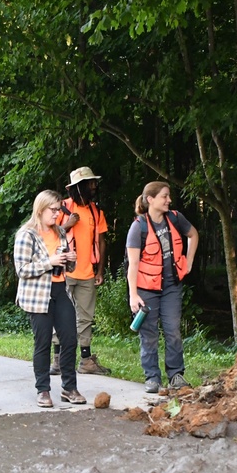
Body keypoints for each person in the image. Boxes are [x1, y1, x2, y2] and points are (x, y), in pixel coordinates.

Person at [14, 190, 87, 408]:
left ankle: (69, 387)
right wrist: (50, 260)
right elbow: (22, 269)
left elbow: (65, 266)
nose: (57, 214)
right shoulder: (26, 235)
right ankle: (43, 390)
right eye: (53, 210)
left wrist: (70, 260)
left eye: (59, 210)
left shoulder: (61, 233)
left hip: (60, 290)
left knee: (70, 338)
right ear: (40, 209)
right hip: (37, 295)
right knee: (43, 342)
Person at [125, 181, 199, 394]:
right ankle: (152, 378)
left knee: (173, 330)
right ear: (151, 200)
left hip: (171, 287)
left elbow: (193, 235)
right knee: (148, 334)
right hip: (146, 289)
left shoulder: (175, 218)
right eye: (164, 196)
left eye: (168, 196)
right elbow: (133, 266)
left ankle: (176, 375)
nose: (169, 200)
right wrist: (133, 296)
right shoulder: (138, 227)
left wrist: (189, 261)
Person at [49, 166, 111, 376]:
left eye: (94, 182)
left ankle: (85, 360)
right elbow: (48, 235)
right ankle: (57, 360)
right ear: (78, 187)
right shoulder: (61, 208)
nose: (94, 186)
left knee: (85, 317)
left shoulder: (96, 211)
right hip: (64, 273)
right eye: (90, 183)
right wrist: (68, 224)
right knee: (60, 316)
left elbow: (102, 242)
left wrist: (100, 270)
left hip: (87, 273)